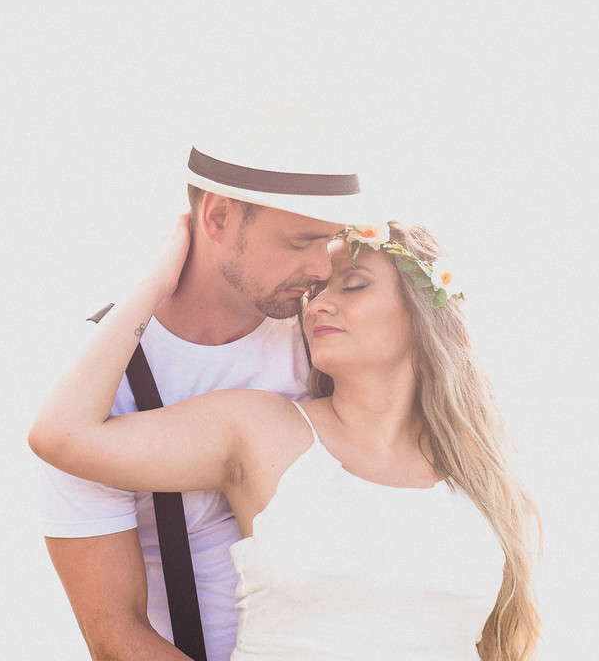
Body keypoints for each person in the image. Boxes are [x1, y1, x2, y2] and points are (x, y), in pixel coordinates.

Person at [30, 214, 542, 660]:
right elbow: (62, 436)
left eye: (355, 284)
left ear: (423, 310)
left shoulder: (479, 465)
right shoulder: (260, 431)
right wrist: (155, 283)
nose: (318, 305)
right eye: (318, 291)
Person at [36, 140, 376, 661]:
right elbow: (113, 632)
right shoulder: (97, 381)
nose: (320, 269)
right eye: (299, 242)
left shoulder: (325, 339)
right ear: (217, 217)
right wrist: (150, 286)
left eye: (328, 242)